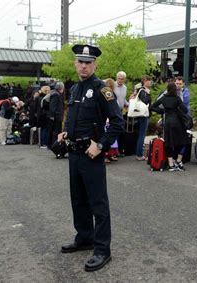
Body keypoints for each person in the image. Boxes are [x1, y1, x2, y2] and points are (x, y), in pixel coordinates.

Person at [57, 44, 124, 272]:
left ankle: (102, 249)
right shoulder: (75, 89)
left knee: (98, 203)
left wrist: (102, 145)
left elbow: (117, 122)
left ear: (95, 65)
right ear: (75, 64)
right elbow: (71, 116)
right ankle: (85, 237)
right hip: (74, 153)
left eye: (88, 62)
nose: (84, 66)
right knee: (78, 200)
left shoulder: (102, 89)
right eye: (80, 62)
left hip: (91, 154)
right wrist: (65, 131)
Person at [150, 82, 189, 171]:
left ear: (167, 89)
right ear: (175, 90)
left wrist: (162, 111)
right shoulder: (177, 99)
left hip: (167, 122)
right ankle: (178, 161)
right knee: (182, 141)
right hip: (177, 122)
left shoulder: (164, 98)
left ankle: (171, 164)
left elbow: (152, 107)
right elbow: (185, 110)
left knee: (168, 143)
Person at [135, 75, 152, 161]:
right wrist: (148, 94)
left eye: (149, 81)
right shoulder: (143, 91)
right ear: (144, 82)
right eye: (147, 81)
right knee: (142, 134)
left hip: (142, 114)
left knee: (141, 134)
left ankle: (139, 153)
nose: (149, 82)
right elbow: (145, 102)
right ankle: (139, 154)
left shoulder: (141, 90)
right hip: (143, 115)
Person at [48, 82, 65, 148]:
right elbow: (53, 106)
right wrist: (53, 116)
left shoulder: (54, 93)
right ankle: (54, 145)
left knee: (54, 131)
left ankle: (52, 144)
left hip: (55, 116)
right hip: (56, 117)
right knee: (56, 131)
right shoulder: (56, 95)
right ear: (61, 88)